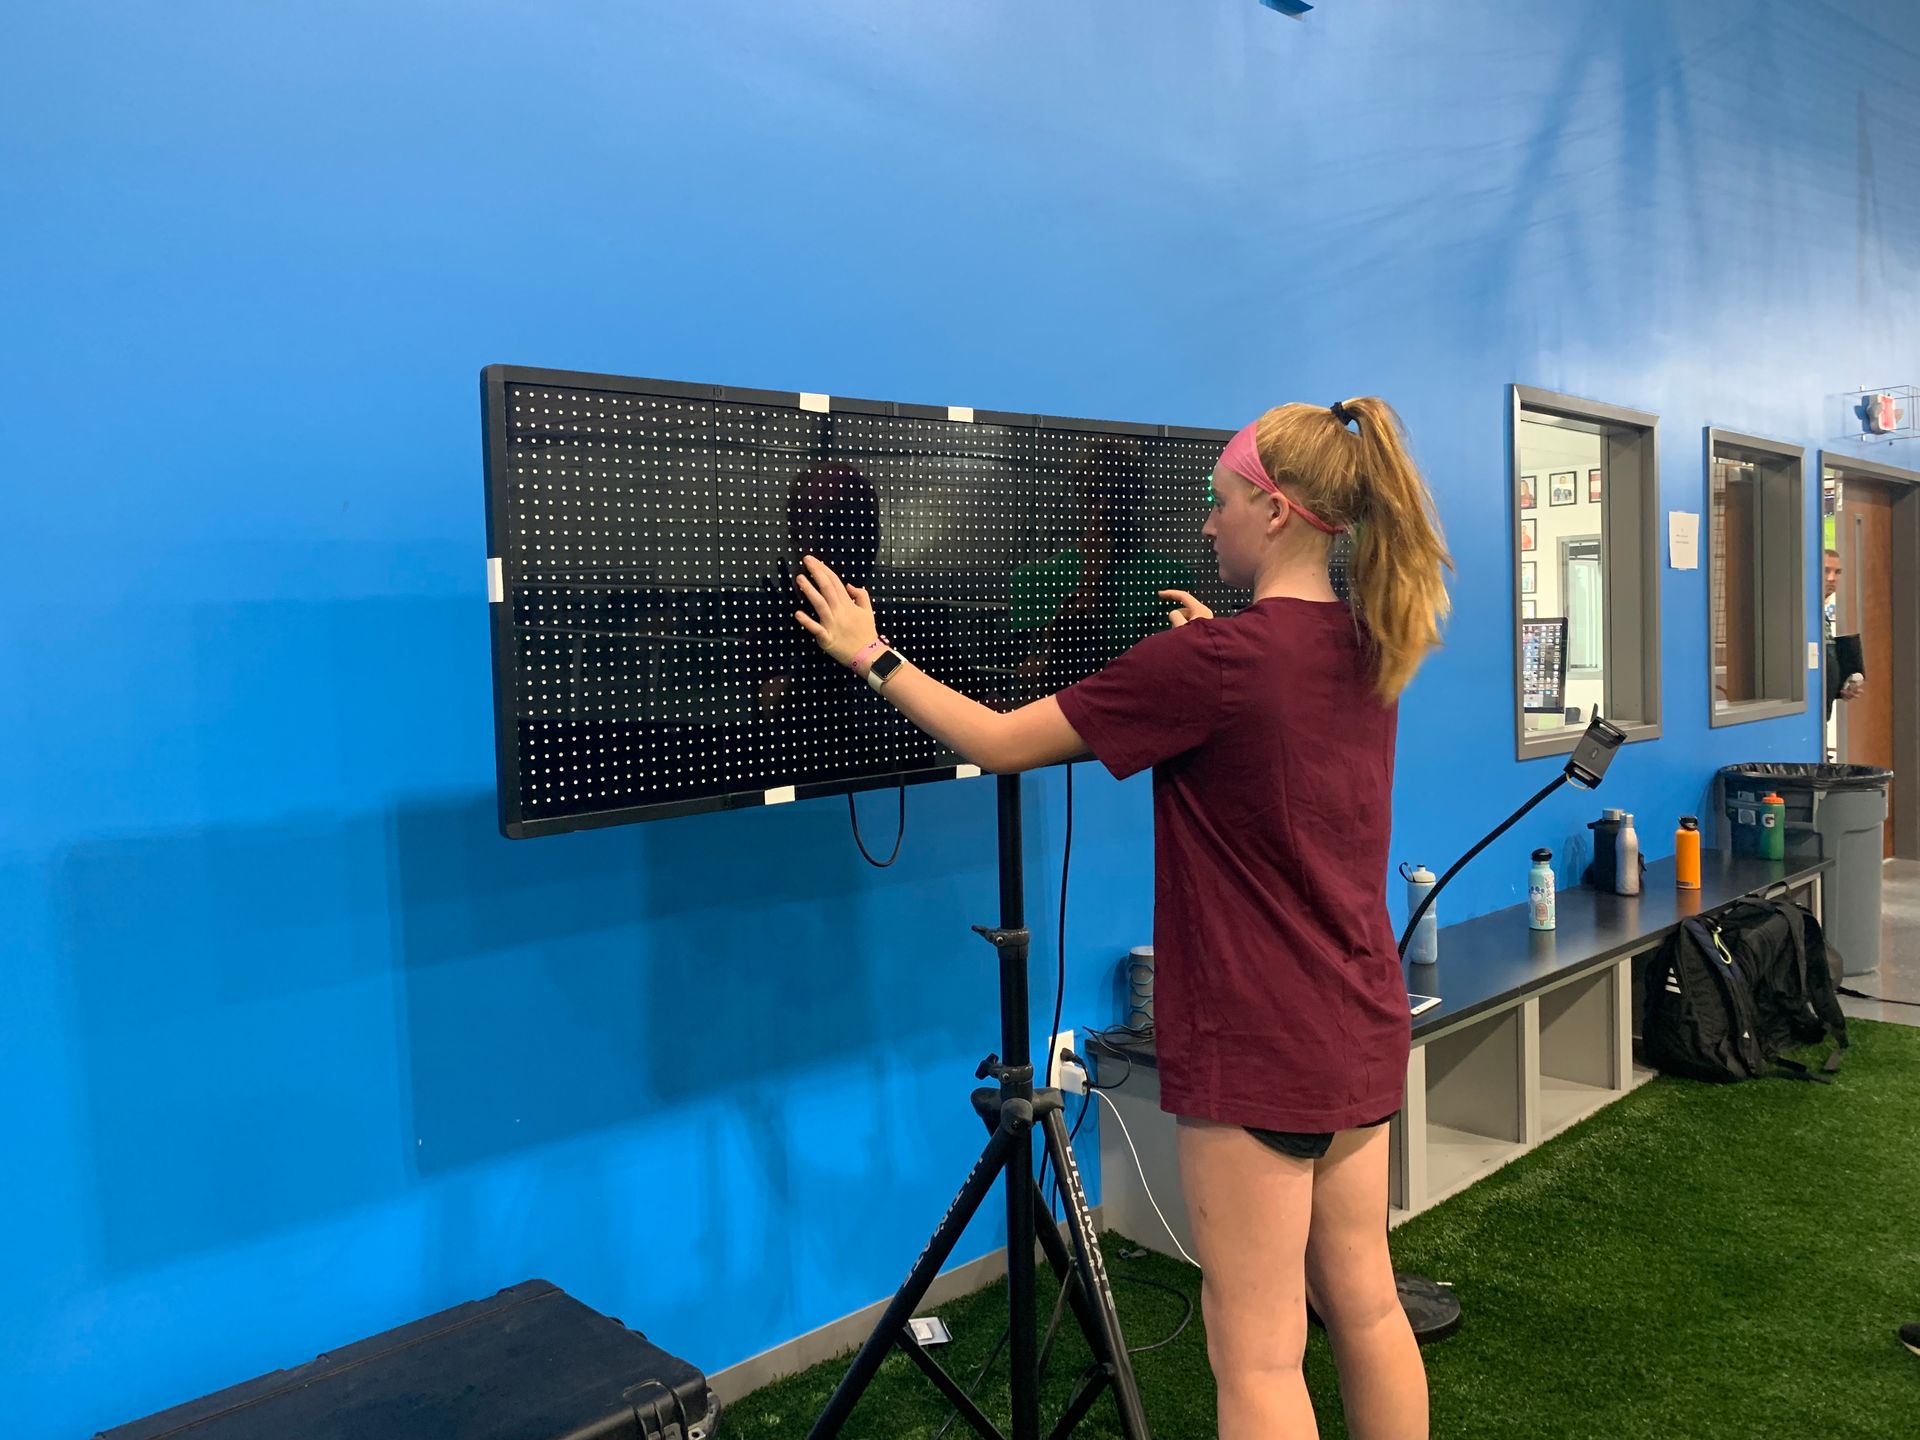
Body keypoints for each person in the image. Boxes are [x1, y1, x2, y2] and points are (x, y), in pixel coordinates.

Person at [795, 397, 1451, 1439]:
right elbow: (1263, 726)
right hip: (1360, 1018)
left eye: (1220, 503)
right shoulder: (1369, 642)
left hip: (1258, 1044)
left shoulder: (1213, 668)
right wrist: (1214, 651)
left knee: (1260, 1354)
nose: (1206, 525)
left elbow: (1001, 740)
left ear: (1276, 512)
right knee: (1366, 1304)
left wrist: (871, 654)